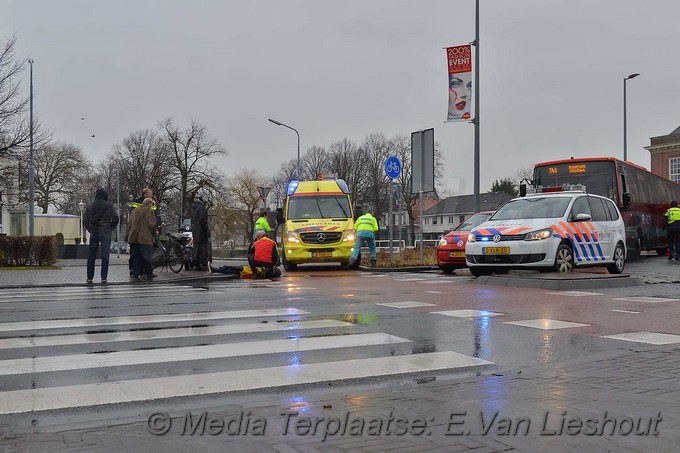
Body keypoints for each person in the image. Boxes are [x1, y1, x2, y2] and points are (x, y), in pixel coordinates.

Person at [83, 188, 119, 283]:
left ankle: (90, 277)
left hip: (94, 232)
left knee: (91, 256)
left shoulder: (90, 206)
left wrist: (90, 229)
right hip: (105, 232)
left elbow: (85, 220)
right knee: (105, 256)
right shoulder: (109, 206)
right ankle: (104, 277)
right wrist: (110, 227)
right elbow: (116, 218)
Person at [127, 187, 159, 275]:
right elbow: (152, 224)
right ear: (148, 203)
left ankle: (135, 273)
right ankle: (148, 272)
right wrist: (154, 233)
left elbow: (129, 223)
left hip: (134, 237)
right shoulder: (150, 211)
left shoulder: (135, 210)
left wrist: (132, 231)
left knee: (136, 256)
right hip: (145, 237)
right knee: (147, 256)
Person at [191, 190, 210, 271]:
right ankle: (203, 264)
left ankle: (196, 263)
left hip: (195, 231)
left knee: (196, 246)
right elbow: (203, 221)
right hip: (202, 231)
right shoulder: (202, 208)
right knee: (203, 247)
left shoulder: (194, 208)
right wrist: (207, 230)